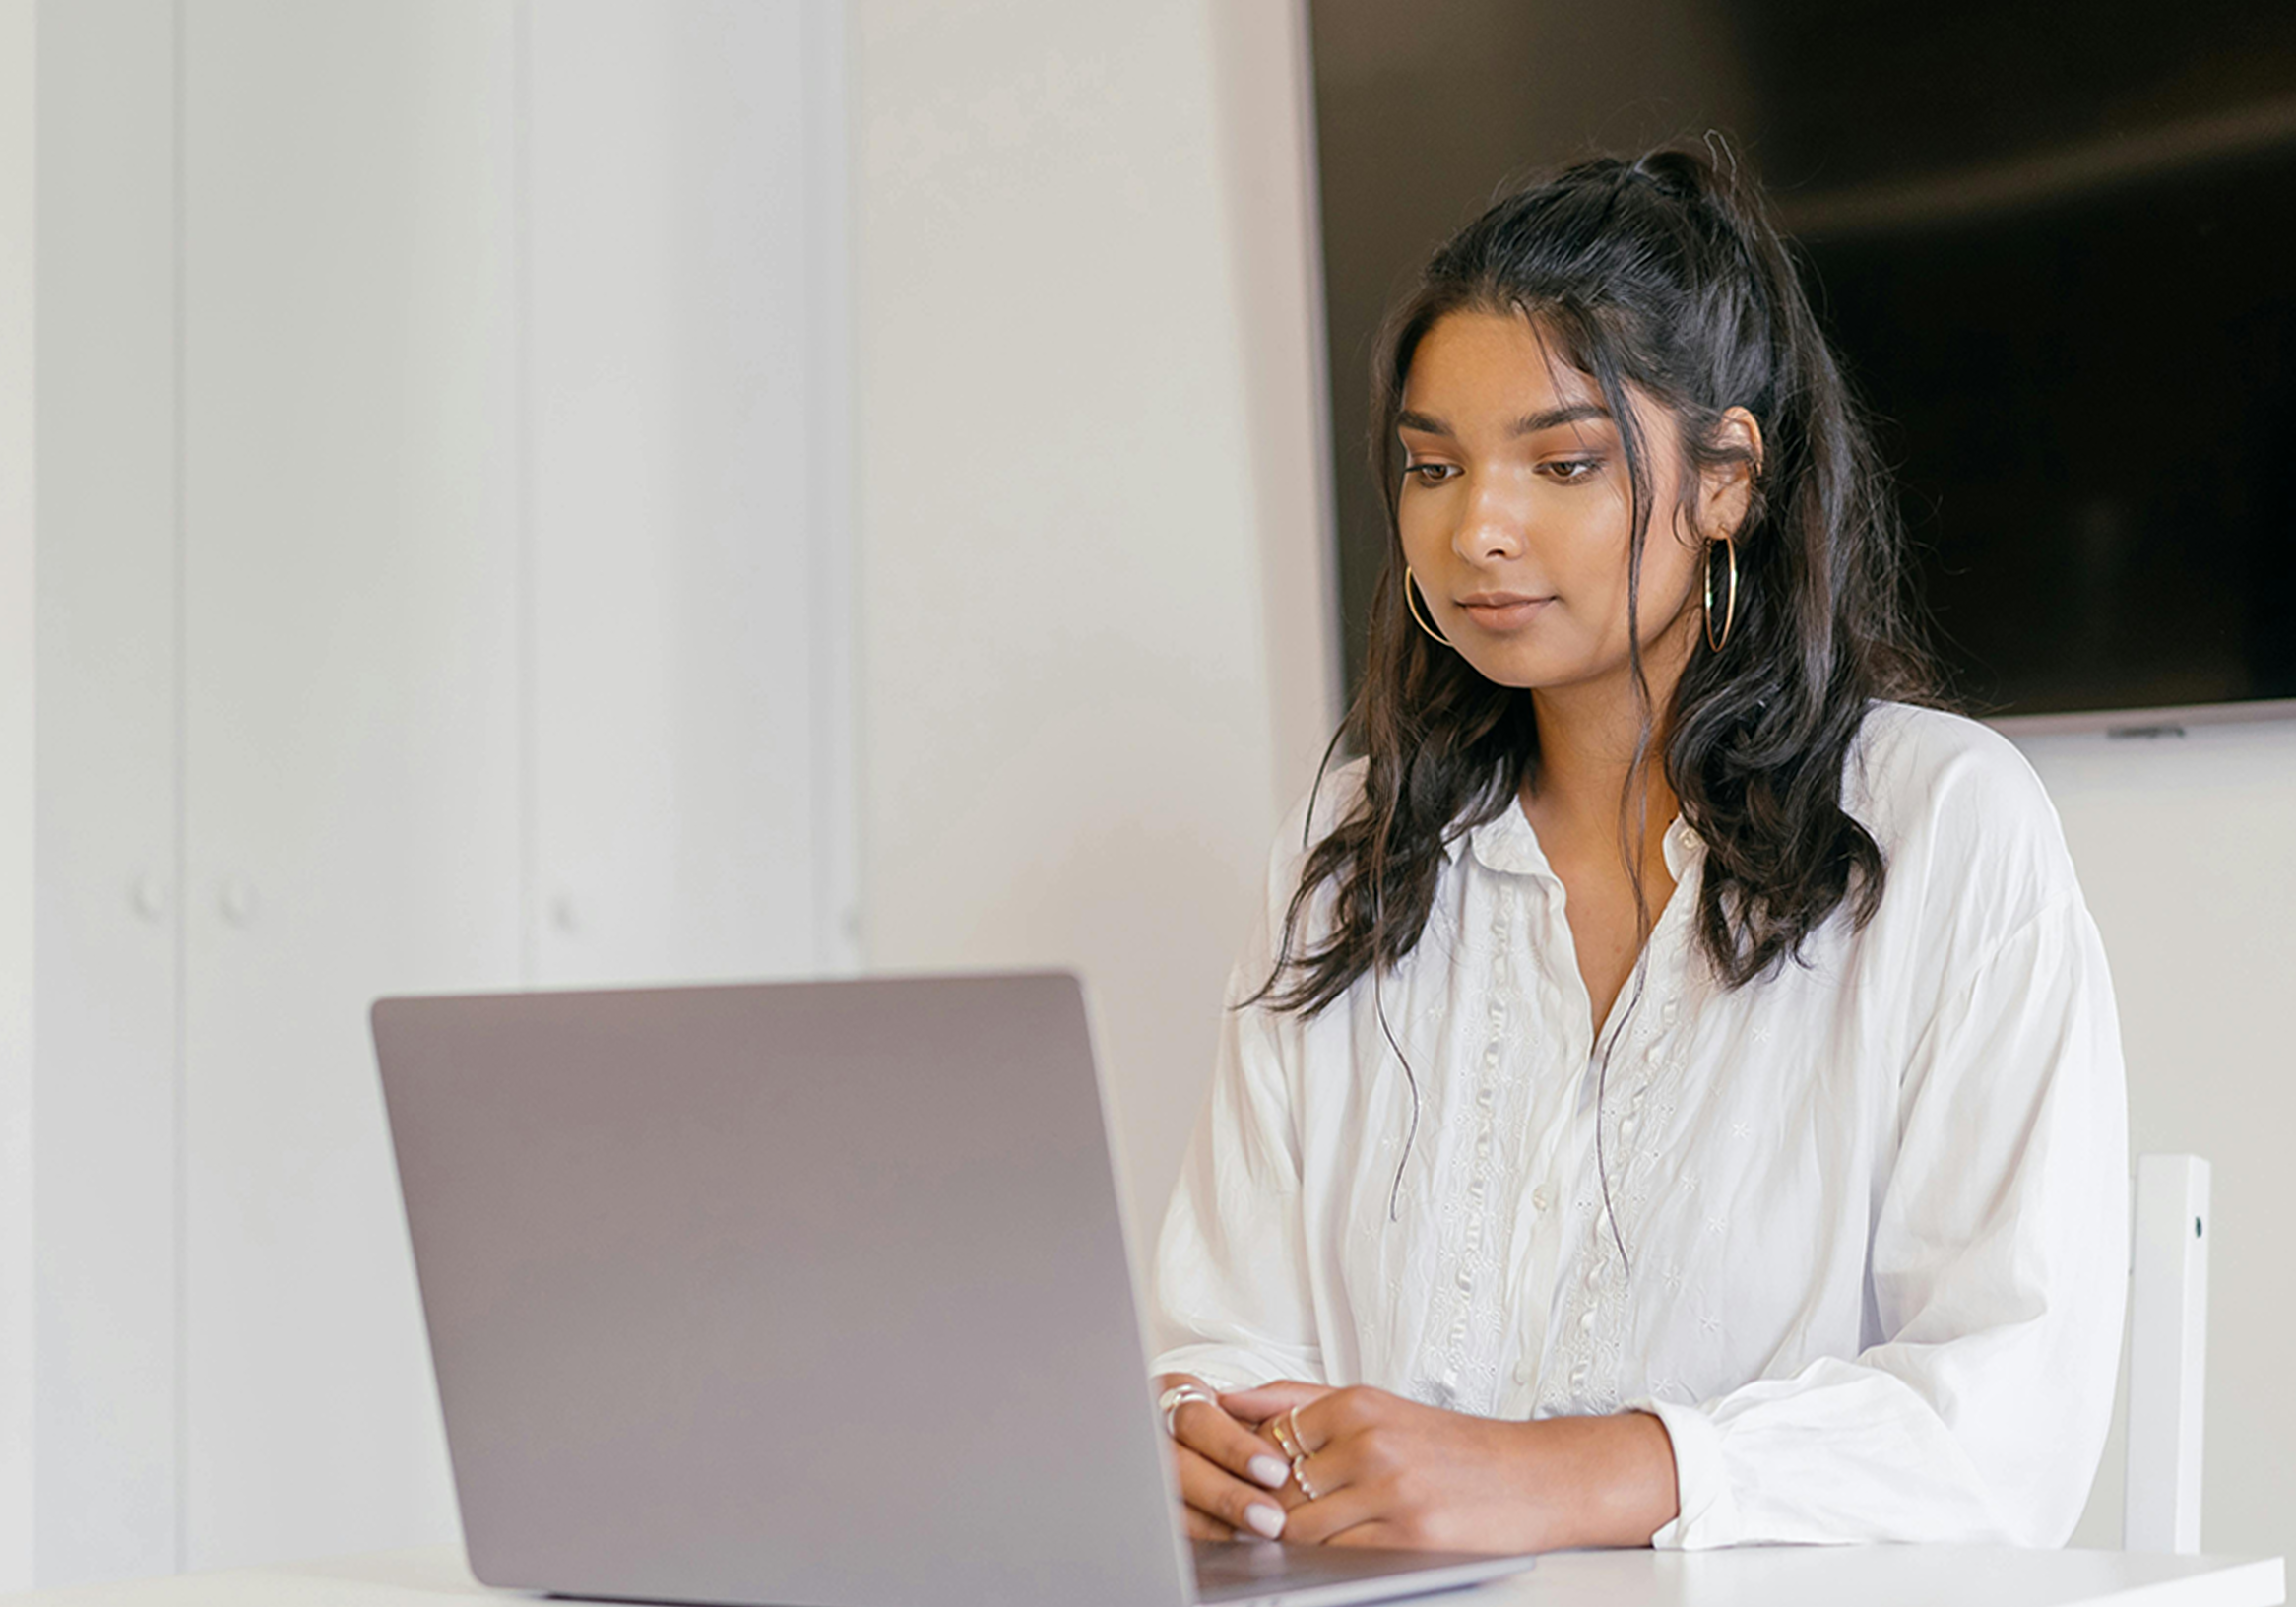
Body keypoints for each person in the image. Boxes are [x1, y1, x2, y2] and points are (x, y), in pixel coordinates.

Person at [1148, 140, 2128, 1555]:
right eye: (1432, 466)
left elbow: (2003, 1425)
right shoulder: (1355, 850)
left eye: (1563, 462)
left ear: (1727, 478)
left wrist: (1559, 1475)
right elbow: (1221, 1335)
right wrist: (1200, 1437)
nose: (1475, 528)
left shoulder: (1941, 828)